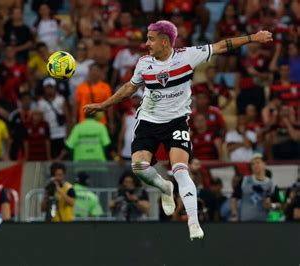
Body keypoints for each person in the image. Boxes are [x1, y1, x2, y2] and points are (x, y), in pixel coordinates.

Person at [83, 20, 273, 239]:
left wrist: (253, 37)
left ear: (165, 42)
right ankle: (165, 187)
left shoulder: (187, 56)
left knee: (181, 169)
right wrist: (103, 104)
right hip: (148, 121)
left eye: (151, 39)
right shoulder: (144, 63)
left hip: (176, 122)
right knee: (138, 168)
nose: (146, 44)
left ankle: (194, 222)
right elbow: (129, 87)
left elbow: (222, 45)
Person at [230, 154, 279, 222]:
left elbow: (279, 205)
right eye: (252, 164)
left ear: (264, 164)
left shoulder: (272, 184)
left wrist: (270, 205)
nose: (255, 165)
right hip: (245, 221)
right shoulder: (244, 180)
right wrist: (234, 214)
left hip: (263, 223)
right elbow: (234, 198)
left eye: (258, 162)